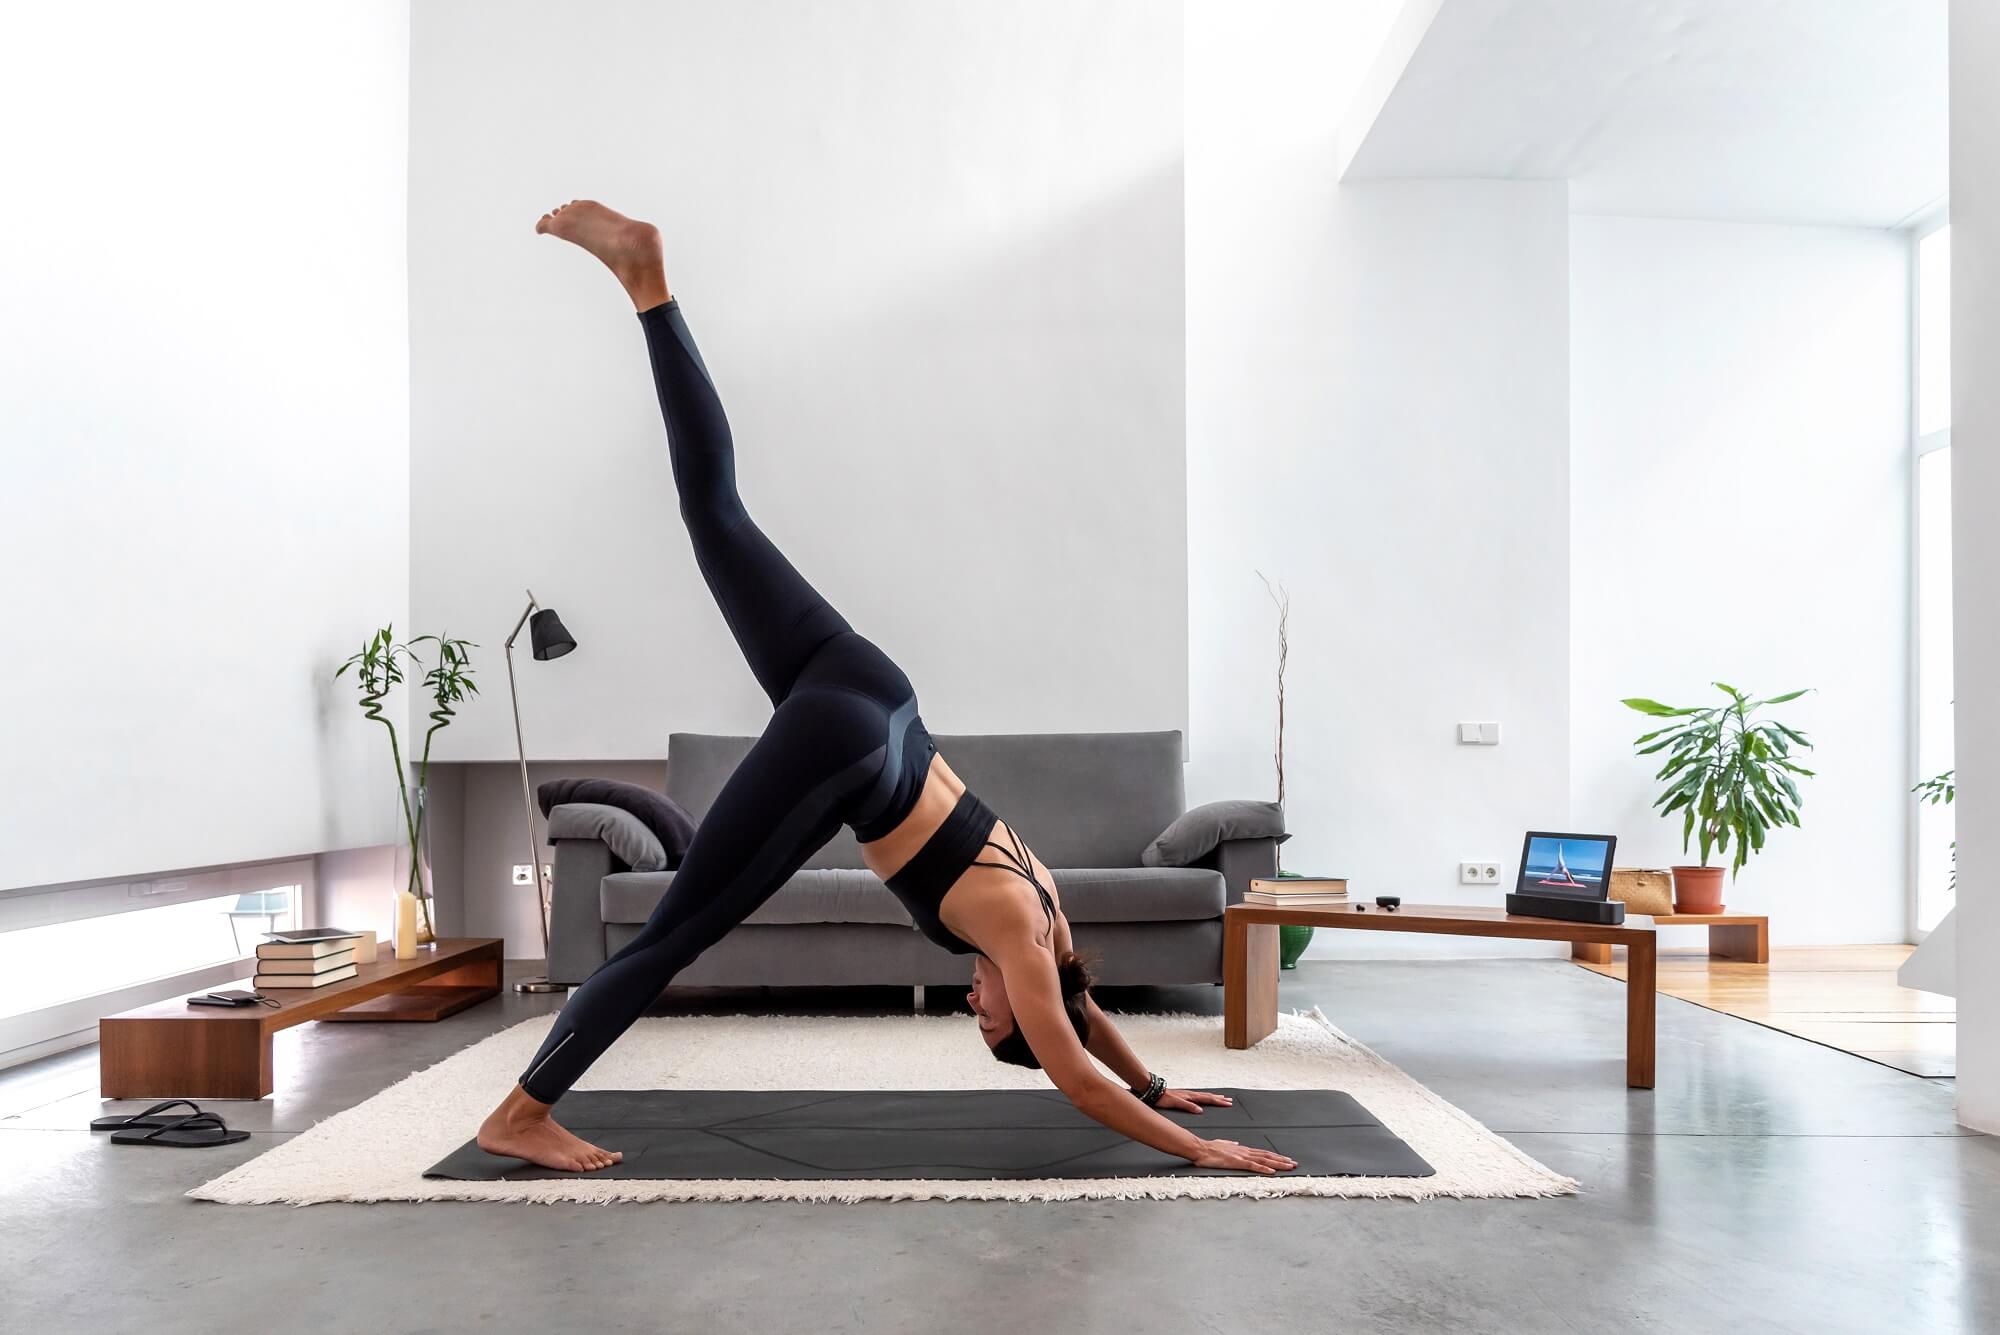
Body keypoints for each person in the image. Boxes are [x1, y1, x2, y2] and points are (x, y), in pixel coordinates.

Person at [475, 201, 1297, 1179]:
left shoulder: (1049, 924)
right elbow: (1073, 1066)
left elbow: (1083, 1016)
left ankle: (651, 291)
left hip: (876, 689)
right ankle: (521, 1113)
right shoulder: (1023, 952)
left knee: (715, 513)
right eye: (989, 1019)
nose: (973, 1003)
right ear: (1022, 1013)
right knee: (668, 938)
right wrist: (1194, 1145)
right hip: (848, 745)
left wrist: (1157, 1083)